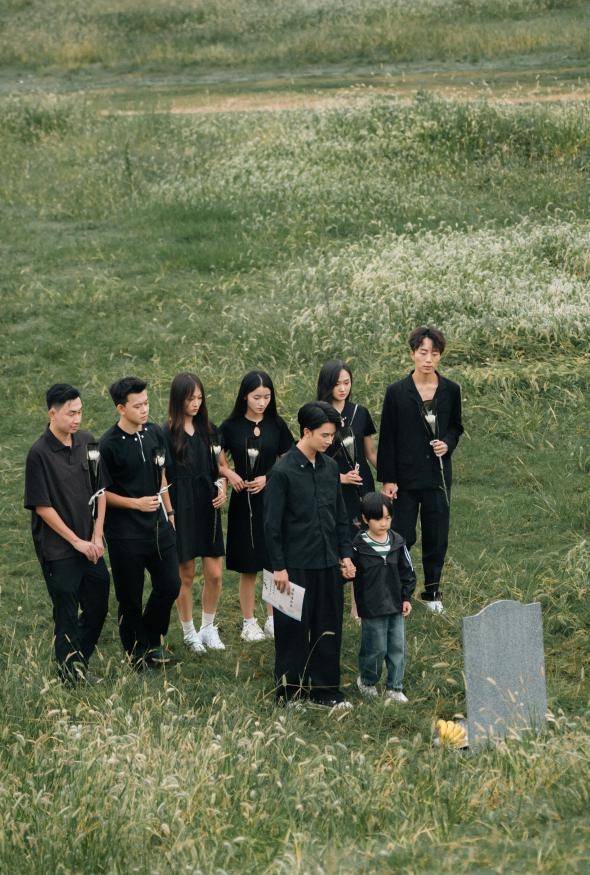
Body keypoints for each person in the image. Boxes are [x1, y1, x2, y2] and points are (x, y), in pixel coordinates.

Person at [264, 401, 356, 708]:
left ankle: (326, 691)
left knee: (328, 628)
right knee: (292, 631)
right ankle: (289, 693)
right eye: (325, 435)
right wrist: (279, 567)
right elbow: (271, 525)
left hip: (328, 561)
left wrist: (345, 554)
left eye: (332, 435)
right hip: (293, 565)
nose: (330, 441)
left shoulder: (330, 467)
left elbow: (340, 515)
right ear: (306, 431)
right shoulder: (282, 471)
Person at [24, 384, 110, 685]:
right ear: (52, 413)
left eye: (80, 412)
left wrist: (97, 536)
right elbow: (42, 507)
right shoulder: (38, 454)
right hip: (59, 551)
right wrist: (76, 541)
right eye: (71, 413)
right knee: (66, 615)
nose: (77, 419)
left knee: (98, 606)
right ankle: (70, 676)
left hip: (91, 546)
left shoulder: (87, 441)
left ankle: (78, 663)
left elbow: (101, 490)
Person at [377, 326, 463, 614]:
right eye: (423, 352)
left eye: (434, 354)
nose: (428, 359)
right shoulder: (396, 392)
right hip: (405, 477)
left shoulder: (451, 390)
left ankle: (433, 592)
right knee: (402, 533)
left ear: (440, 356)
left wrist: (447, 444)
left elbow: (456, 427)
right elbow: (387, 437)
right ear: (412, 353)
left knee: (436, 534)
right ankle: (402, 591)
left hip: (437, 475)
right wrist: (388, 479)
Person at [99, 376, 180, 669]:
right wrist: (135, 503)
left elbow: (162, 474)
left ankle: (149, 637)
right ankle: (137, 654)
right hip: (125, 534)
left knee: (170, 585)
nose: (144, 409)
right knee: (130, 598)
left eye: (146, 403)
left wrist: (170, 512)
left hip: (158, 526)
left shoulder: (155, 433)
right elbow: (101, 492)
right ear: (121, 408)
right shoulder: (108, 445)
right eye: (138, 406)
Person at [219, 370, 294, 643]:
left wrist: (268, 477)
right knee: (248, 564)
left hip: (272, 499)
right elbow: (214, 456)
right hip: (243, 500)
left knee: (274, 561)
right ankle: (249, 622)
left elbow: (289, 458)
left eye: (267, 397)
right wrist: (229, 473)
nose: (262, 402)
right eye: (256, 397)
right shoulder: (230, 427)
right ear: (244, 396)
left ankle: (274, 619)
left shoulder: (277, 425)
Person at [163, 372, 228, 653]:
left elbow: (221, 467)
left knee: (215, 574)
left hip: (207, 506)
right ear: (178, 400)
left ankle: (208, 627)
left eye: (200, 398)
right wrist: (170, 511)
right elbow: (161, 476)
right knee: (186, 573)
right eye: (191, 398)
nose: (196, 403)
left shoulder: (210, 431)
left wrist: (223, 487)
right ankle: (189, 632)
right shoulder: (166, 434)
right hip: (181, 506)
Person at [316, 358, 377, 620]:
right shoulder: (318, 414)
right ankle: (331, 601)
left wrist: (392, 477)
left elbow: (370, 453)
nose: (342, 388)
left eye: (347, 382)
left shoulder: (360, 413)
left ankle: (357, 606)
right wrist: (340, 478)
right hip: (333, 488)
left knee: (361, 540)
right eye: (337, 383)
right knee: (335, 539)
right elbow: (314, 458)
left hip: (362, 488)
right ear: (327, 385)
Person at [352, 492, 415, 702]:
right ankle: (367, 681)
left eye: (388, 518)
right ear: (364, 519)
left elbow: (408, 571)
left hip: (396, 604)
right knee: (375, 648)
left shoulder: (397, 542)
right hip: (371, 607)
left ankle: (394, 687)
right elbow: (349, 572)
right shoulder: (358, 546)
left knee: (397, 647)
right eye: (378, 519)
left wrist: (406, 597)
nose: (384, 523)